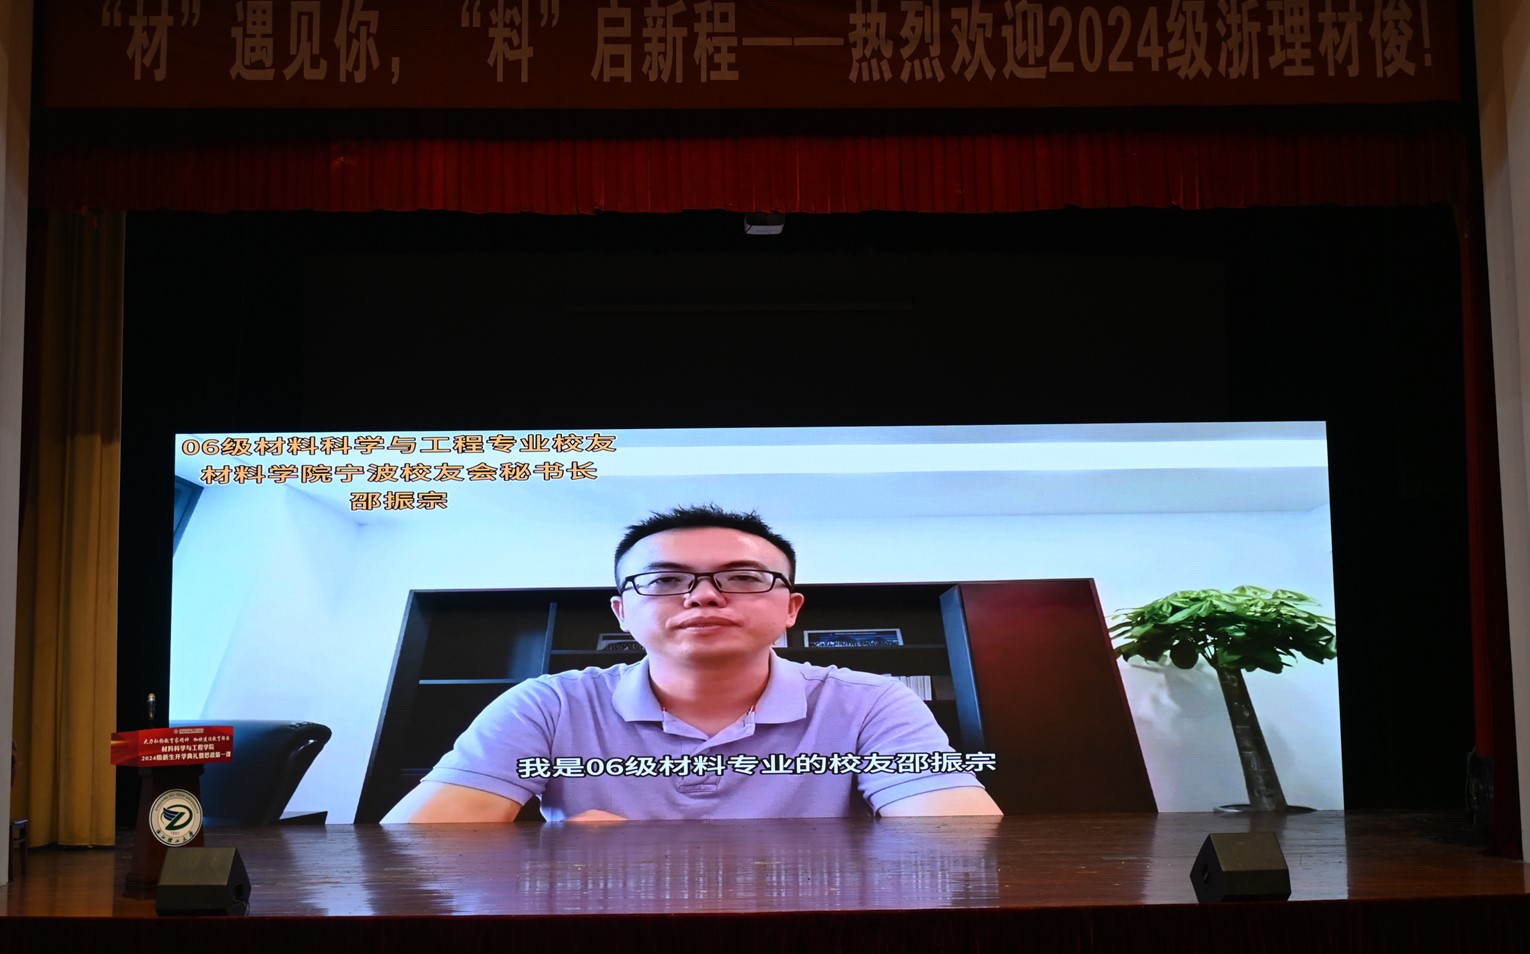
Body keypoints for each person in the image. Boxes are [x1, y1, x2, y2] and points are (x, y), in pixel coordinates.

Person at [382, 505, 1001, 822]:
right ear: (623, 612)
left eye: (743, 578)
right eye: (665, 580)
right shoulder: (546, 704)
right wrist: (554, 858)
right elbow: (419, 847)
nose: (703, 596)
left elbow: (958, 839)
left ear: (791, 608)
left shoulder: (872, 701)